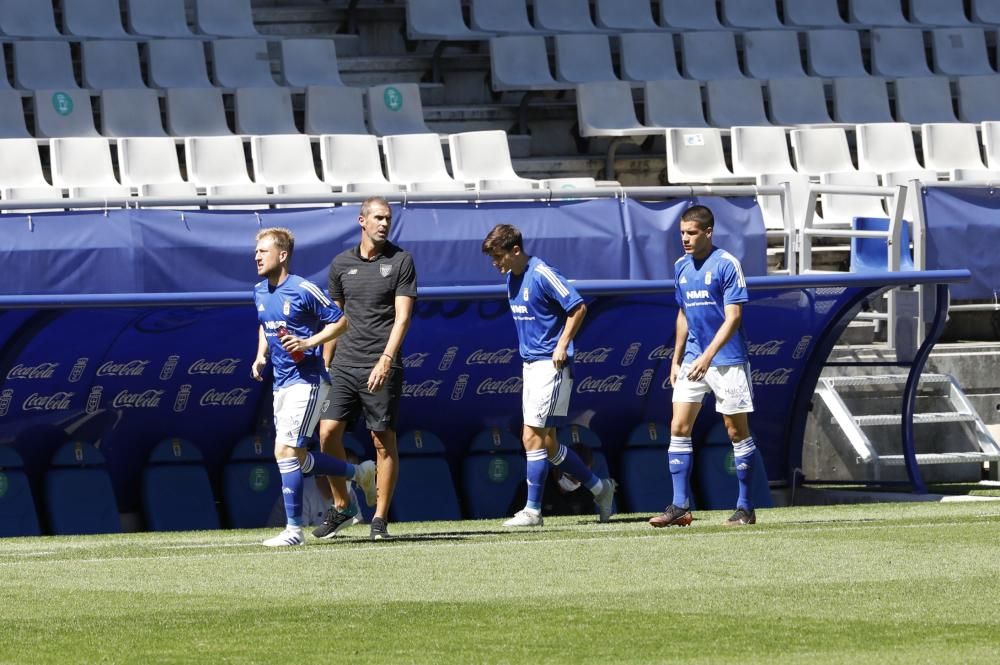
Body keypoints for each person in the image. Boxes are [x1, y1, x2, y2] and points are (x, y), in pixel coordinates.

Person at [481, 223, 616, 527]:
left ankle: (532, 511)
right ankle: (600, 488)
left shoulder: (541, 273)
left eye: (498, 256)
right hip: (530, 366)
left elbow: (578, 306)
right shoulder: (511, 279)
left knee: (532, 437)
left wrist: (562, 345)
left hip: (551, 366)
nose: (495, 263)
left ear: (516, 250)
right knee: (549, 444)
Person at [251, 227, 376, 547]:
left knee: (285, 451)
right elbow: (266, 326)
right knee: (301, 457)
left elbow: (341, 321)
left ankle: (294, 531)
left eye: (263, 251)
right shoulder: (259, 291)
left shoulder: (304, 288)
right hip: (281, 383)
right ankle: (358, 474)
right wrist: (260, 355)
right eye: (256, 252)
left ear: (282, 255)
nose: (256, 257)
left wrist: (310, 342)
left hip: (307, 382)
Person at [648, 205, 759, 528]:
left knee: (736, 432)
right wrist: (677, 356)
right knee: (678, 427)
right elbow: (683, 313)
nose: (685, 238)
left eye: (692, 232)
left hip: (726, 360)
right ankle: (680, 506)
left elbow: (734, 317)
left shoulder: (727, 265)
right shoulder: (681, 267)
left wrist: (707, 357)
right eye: (682, 232)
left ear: (708, 232)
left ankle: (745, 508)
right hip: (694, 359)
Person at [314, 197, 417, 541]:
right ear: (362, 221)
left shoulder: (401, 261)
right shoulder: (341, 264)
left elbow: (402, 318)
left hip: (381, 364)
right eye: (378, 218)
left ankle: (379, 520)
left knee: (381, 441)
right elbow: (336, 319)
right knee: (327, 433)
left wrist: (386, 360)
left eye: (388, 218)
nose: (384, 224)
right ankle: (343, 506)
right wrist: (326, 360)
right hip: (344, 365)